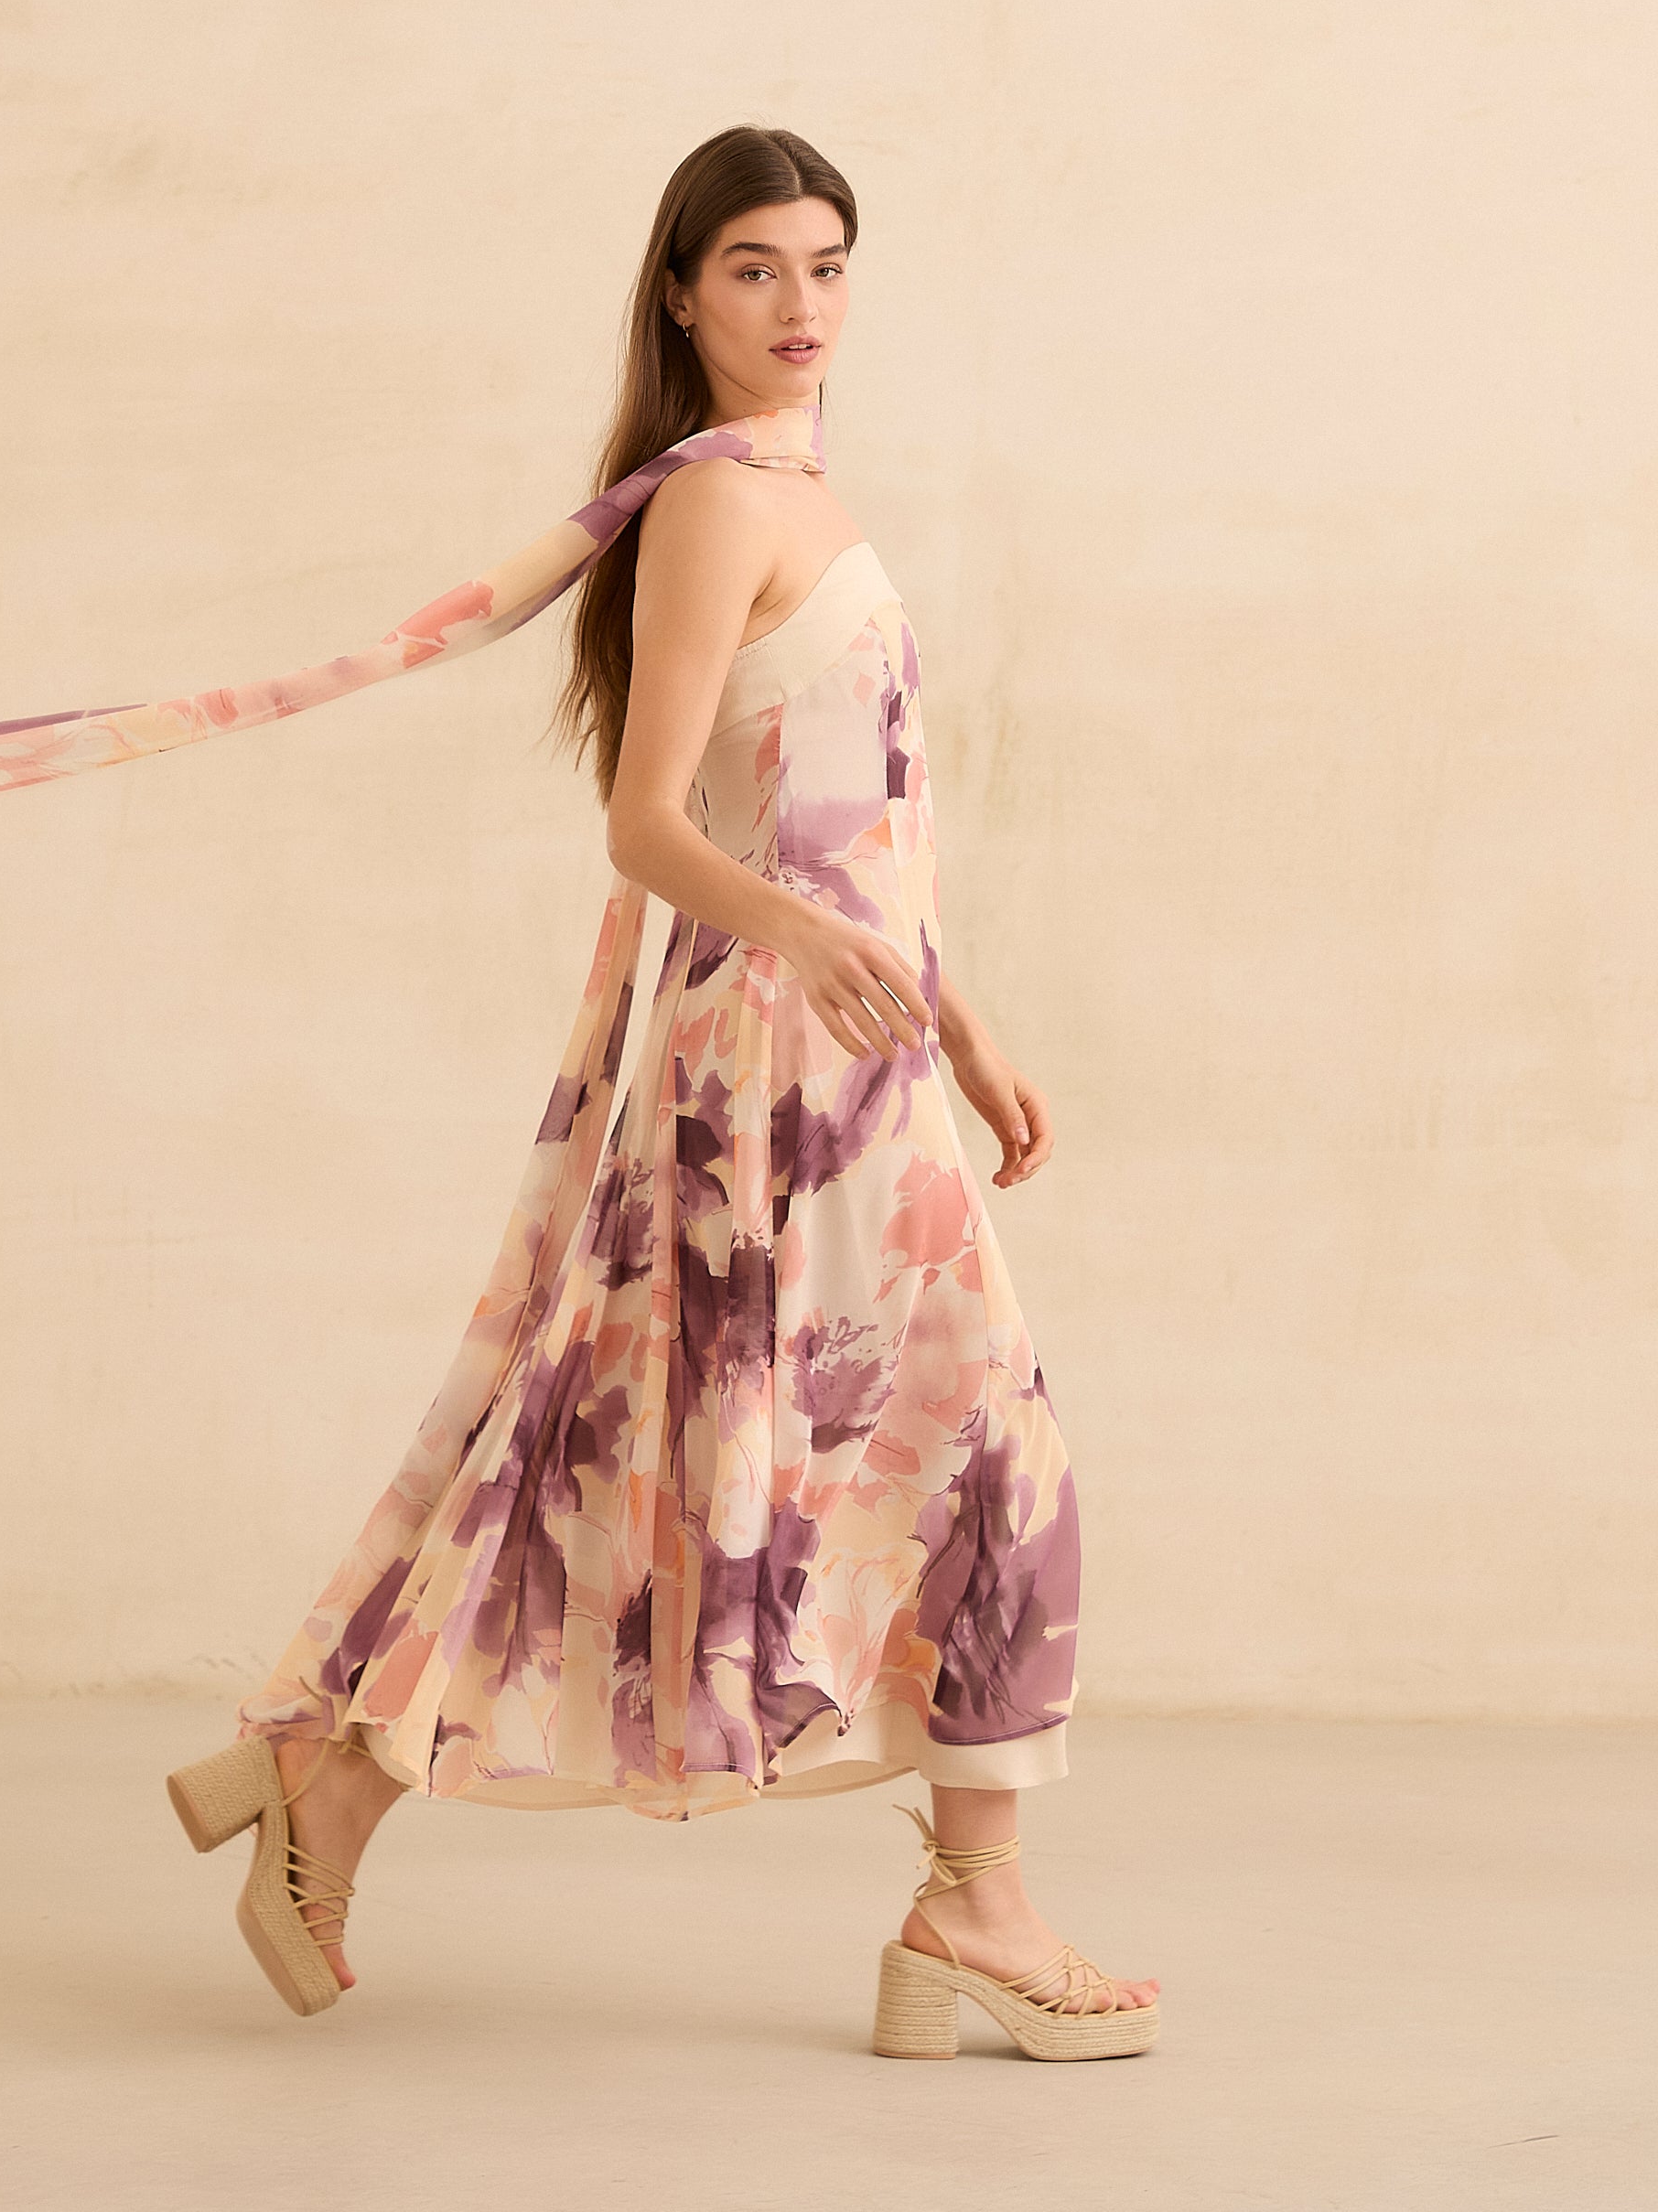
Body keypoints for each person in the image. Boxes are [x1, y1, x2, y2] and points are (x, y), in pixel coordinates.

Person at [166, 124, 1158, 2063]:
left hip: (856, 1054)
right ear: (684, 296)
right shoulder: (712, 505)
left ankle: (334, 1780)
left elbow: (855, 832)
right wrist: (811, 951)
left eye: (828, 265)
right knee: (922, 1454)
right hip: (771, 1071)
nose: (802, 305)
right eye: (757, 269)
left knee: (690, 1448)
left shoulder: (799, 493)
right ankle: (970, 1909)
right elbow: (648, 823)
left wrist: (962, 1026)